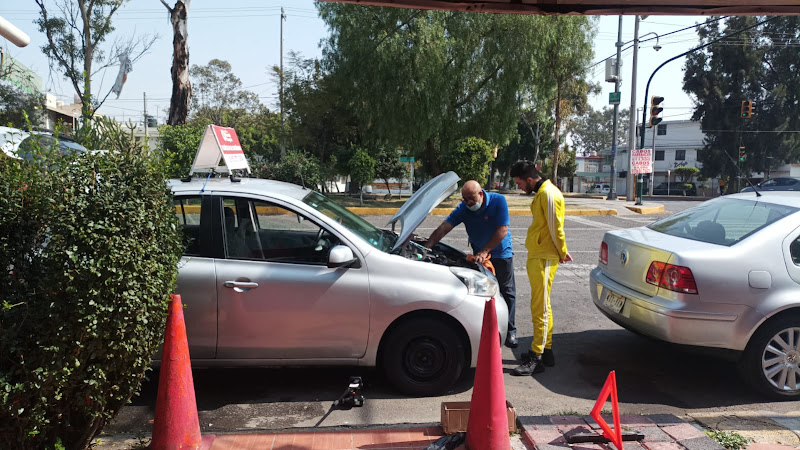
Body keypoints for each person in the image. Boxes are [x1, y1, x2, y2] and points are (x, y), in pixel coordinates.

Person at [425, 180, 518, 348]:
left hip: (501, 254)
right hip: (480, 257)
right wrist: (428, 246)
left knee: (507, 291)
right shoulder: (463, 209)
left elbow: (502, 230)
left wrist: (485, 250)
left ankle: (510, 331)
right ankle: (489, 330)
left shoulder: (498, 201)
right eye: (464, 199)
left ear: (481, 194)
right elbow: (445, 227)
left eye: (471, 198)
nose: (468, 202)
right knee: (485, 292)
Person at [508, 161, 571, 376]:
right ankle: (547, 351)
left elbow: (556, 228)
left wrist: (562, 252)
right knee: (542, 305)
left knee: (540, 308)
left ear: (528, 179)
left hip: (544, 256)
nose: (518, 187)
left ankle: (537, 358)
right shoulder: (543, 192)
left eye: (519, 183)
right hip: (539, 254)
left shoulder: (548, 194)